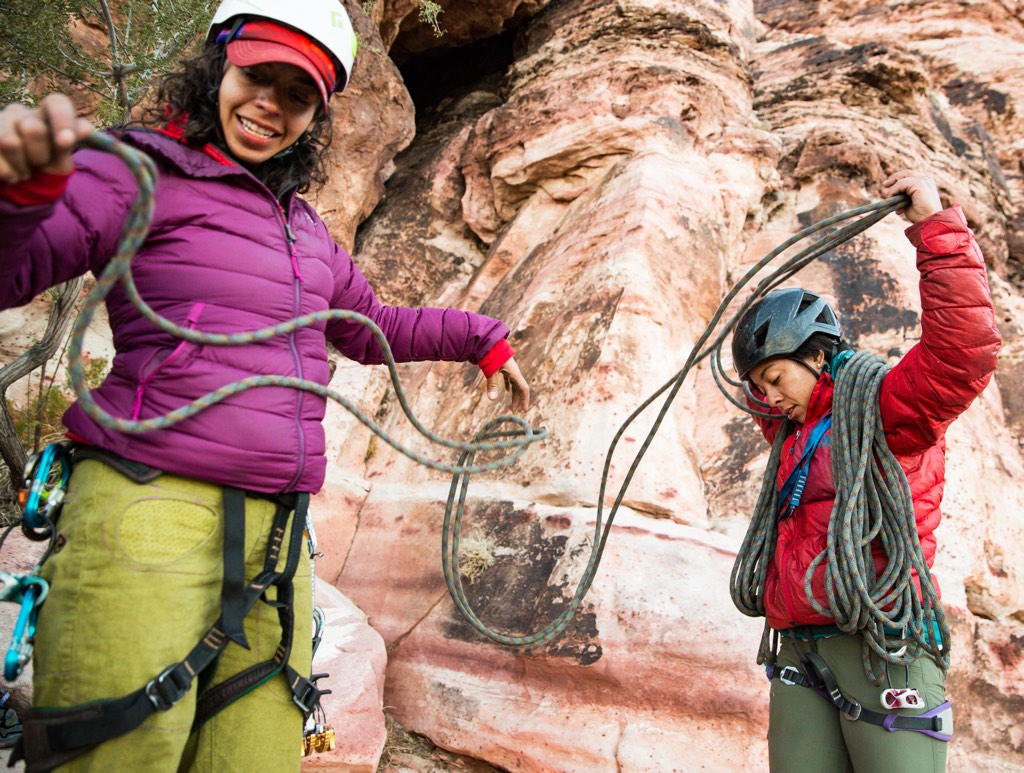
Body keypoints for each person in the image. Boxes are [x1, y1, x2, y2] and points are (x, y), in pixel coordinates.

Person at [0, 1, 530, 770]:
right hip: (148, 506)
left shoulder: (305, 228)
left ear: (316, 112)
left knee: (256, 757)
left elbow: (370, 323)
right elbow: (15, 269)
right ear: (220, 66)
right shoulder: (134, 169)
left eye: (297, 93)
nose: (269, 104)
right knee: (115, 754)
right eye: (256, 75)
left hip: (277, 540)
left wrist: (480, 337)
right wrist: (19, 199)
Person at [729, 171, 1001, 772]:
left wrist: (933, 227)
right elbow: (768, 398)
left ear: (819, 355)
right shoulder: (791, 433)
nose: (768, 399)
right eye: (758, 389)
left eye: (776, 380)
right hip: (800, 652)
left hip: (881, 645)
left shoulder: (884, 408)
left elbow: (962, 356)